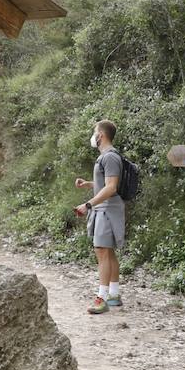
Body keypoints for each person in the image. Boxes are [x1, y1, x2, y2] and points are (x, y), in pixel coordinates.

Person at [75, 119, 124, 315]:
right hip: (104, 209)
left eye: (95, 132)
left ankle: (101, 298)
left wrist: (88, 205)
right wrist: (88, 184)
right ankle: (113, 294)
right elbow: (105, 184)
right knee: (108, 252)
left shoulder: (110, 157)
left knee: (102, 252)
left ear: (101, 135)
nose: (93, 136)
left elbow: (112, 187)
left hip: (106, 210)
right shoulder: (106, 157)